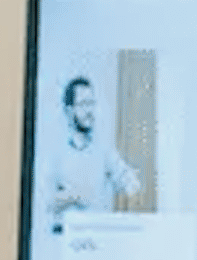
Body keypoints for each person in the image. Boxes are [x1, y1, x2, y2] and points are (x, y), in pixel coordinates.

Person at [41, 74, 143, 222]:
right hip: (65, 235)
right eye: (83, 104)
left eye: (91, 103)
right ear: (69, 111)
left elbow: (130, 182)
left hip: (98, 232)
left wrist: (129, 181)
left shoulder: (104, 150)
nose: (89, 111)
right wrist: (75, 196)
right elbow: (47, 202)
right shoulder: (56, 154)